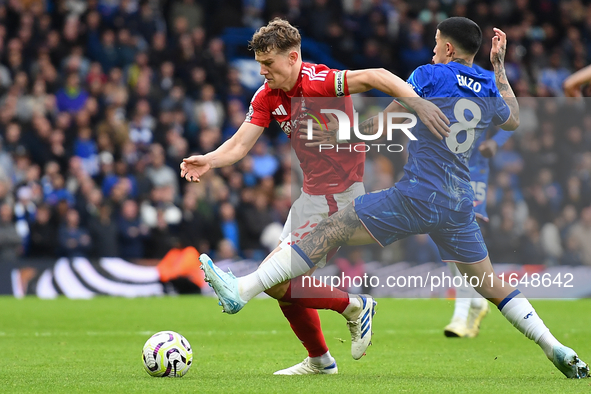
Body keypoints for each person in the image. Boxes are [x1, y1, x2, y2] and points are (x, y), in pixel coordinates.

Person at [199, 18, 590, 379]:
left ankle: (246, 290)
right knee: (491, 285)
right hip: (458, 203)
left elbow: (386, 120)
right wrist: (500, 66)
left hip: (417, 194)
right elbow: (514, 118)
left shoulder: (429, 74)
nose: (433, 49)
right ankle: (553, 345)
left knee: (331, 228)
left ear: (449, 49)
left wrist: (344, 135)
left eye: (437, 43)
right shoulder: (488, 85)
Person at [180, 18, 450, 375]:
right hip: (310, 196)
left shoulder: (320, 81)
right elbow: (241, 143)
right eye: (260, 63)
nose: (262, 71)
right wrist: (209, 160)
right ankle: (325, 352)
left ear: (293, 58)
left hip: (340, 197)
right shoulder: (267, 96)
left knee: (276, 277)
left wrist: (419, 104)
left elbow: (379, 76)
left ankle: (242, 290)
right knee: (280, 286)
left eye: (269, 64)